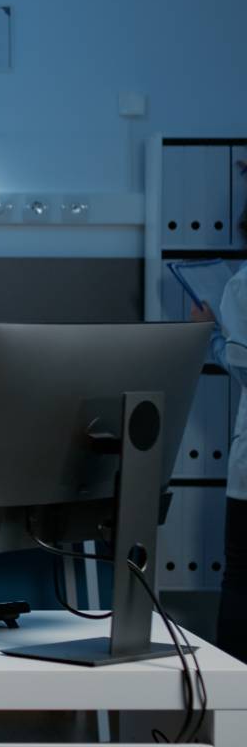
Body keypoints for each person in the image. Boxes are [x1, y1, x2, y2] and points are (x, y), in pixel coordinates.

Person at [190, 173, 247, 663]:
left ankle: (235, 695)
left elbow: (243, 366)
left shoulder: (242, 285)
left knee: (242, 581)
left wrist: (207, 334)